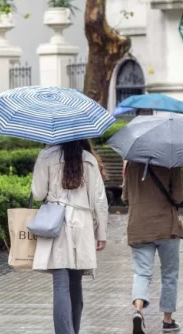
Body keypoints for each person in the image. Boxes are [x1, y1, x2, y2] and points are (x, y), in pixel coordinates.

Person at [32, 139, 109, 334]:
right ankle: (74, 329)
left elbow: (38, 194)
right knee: (75, 282)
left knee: (60, 284)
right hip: (82, 224)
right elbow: (100, 200)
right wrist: (101, 233)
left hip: (55, 223)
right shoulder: (89, 159)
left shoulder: (46, 156)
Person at [122, 161, 183, 334]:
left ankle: (139, 310)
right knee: (170, 274)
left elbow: (125, 197)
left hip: (139, 225)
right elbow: (178, 197)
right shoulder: (172, 162)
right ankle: (167, 320)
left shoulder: (131, 164)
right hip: (167, 227)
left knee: (142, 272)